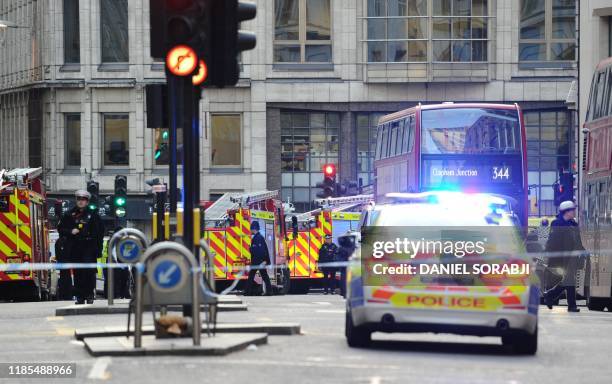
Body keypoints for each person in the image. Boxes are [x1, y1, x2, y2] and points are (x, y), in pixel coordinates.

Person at [58, 190, 104, 304]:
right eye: (79, 199)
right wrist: (70, 231)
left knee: (89, 272)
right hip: (75, 247)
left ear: (87, 202)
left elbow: (100, 233)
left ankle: (89, 295)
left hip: (89, 247)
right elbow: (61, 229)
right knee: (78, 273)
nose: (80, 202)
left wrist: (98, 250)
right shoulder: (69, 214)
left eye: (83, 200)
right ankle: (80, 296)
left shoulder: (93, 215)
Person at [543, 201, 586, 312]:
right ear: (566, 211)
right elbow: (552, 241)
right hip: (561, 257)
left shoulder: (573, 224)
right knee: (569, 280)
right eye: (572, 210)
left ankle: (551, 296)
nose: (574, 212)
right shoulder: (557, 224)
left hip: (572, 257)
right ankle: (569, 304)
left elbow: (578, 241)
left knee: (569, 280)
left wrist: (582, 252)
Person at [244, 221, 273, 296]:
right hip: (259, 261)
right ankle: (269, 291)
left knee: (252, 276)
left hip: (258, 261)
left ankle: (248, 292)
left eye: (251, 229)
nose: (250, 230)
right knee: (264, 277)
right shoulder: (259, 237)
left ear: (254, 229)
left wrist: (250, 248)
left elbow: (258, 250)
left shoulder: (257, 238)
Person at [54, 233, 73, 300]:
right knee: (68, 279)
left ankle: (63, 295)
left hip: (61, 263)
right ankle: (68, 295)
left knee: (62, 279)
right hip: (67, 263)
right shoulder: (68, 241)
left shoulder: (58, 242)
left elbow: (57, 254)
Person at [337, 234, 356, 298]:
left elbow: (339, 259)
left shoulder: (341, 249)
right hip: (350, 268)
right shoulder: (353, 248)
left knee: (344, 280)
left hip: (345, 268)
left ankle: (345, 293)